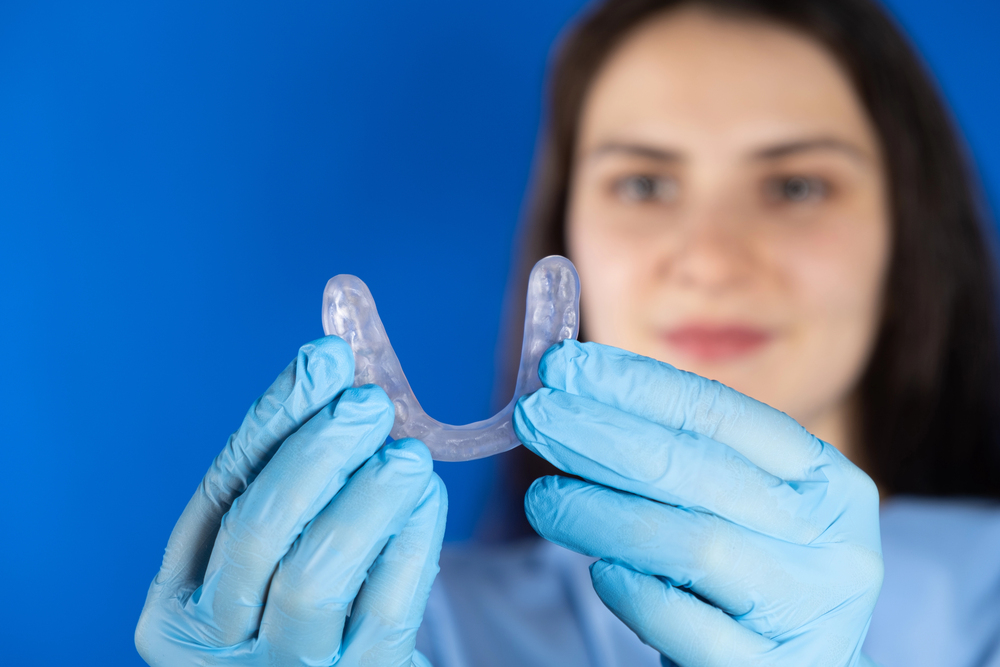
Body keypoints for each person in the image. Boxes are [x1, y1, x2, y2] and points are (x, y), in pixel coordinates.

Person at [134, 0, 1000, 665]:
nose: (709, 258)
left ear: (909, 230)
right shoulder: (399, 627)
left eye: (797, 186)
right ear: (567, 229)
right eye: (645, 185)